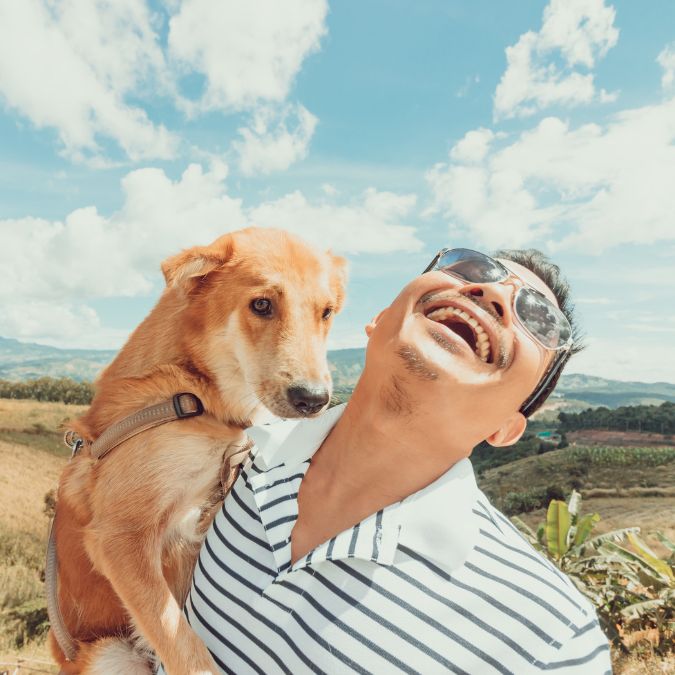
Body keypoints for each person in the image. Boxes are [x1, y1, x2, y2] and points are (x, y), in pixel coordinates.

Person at [164, 247, 611, 674]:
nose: (493, 293)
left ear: (507, 429)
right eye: (470, 269)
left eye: (539, 318)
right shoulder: (224, 457)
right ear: (376, 322)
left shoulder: (551, 637)